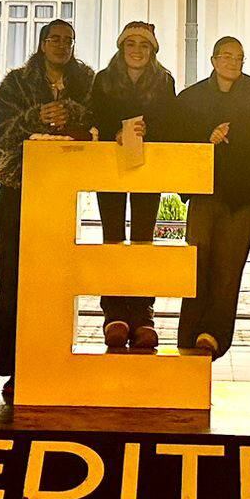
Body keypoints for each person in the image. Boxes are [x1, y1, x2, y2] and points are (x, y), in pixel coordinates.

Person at [0, 18, 95, 398]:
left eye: (68, 40)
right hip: (18, 188)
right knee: (13, 278)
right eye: (55, 39)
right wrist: (37, 117)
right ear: (42, 42)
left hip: (63, 191)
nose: (61, 45)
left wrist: (71, 115)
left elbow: (99, 124)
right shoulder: (16, 82)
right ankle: (14, 365)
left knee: (56, 280)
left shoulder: (89, 82)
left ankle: (54, 362)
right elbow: (0, 132)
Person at [173, 36, 250, 359]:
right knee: (197, 262)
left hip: (242, 197)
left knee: (229, 267)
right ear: (213, 60)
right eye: (226, 56)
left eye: (238, 58)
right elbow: (176, 136)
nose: (232, 63)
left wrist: (237, 136)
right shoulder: (191, 98)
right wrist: (205, 137)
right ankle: (188, 333)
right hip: (204, 193)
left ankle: (214, 335)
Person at [88, 21, 178, 352]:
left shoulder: (164, 80)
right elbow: (94, 116)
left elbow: (171, 121)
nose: (137, 50)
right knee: (112, 238)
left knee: (143, 241)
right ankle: (113, 313)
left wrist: (148, 130)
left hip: (147, 169)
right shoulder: (103, 79)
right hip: (110, 169)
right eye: (131, 44)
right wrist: (114, 131)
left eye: (144, 45)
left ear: (153, 51)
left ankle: (142, 314)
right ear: (121, 47)